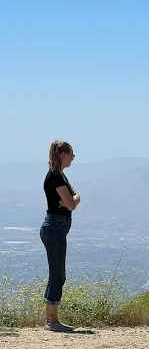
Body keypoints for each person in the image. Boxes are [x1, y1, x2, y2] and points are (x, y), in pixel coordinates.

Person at [40, 140, 80, 332]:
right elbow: (72, 203)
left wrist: (70, 200)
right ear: (63, 155)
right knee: (57, 274)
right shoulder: (55, 177)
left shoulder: (60, 176)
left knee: (57, 274)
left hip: (57, 228)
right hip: (54, 228)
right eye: (71, 154)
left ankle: (52, 319)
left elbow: (74, 197)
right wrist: (71, 201)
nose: (73, 158)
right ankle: (52, 321)